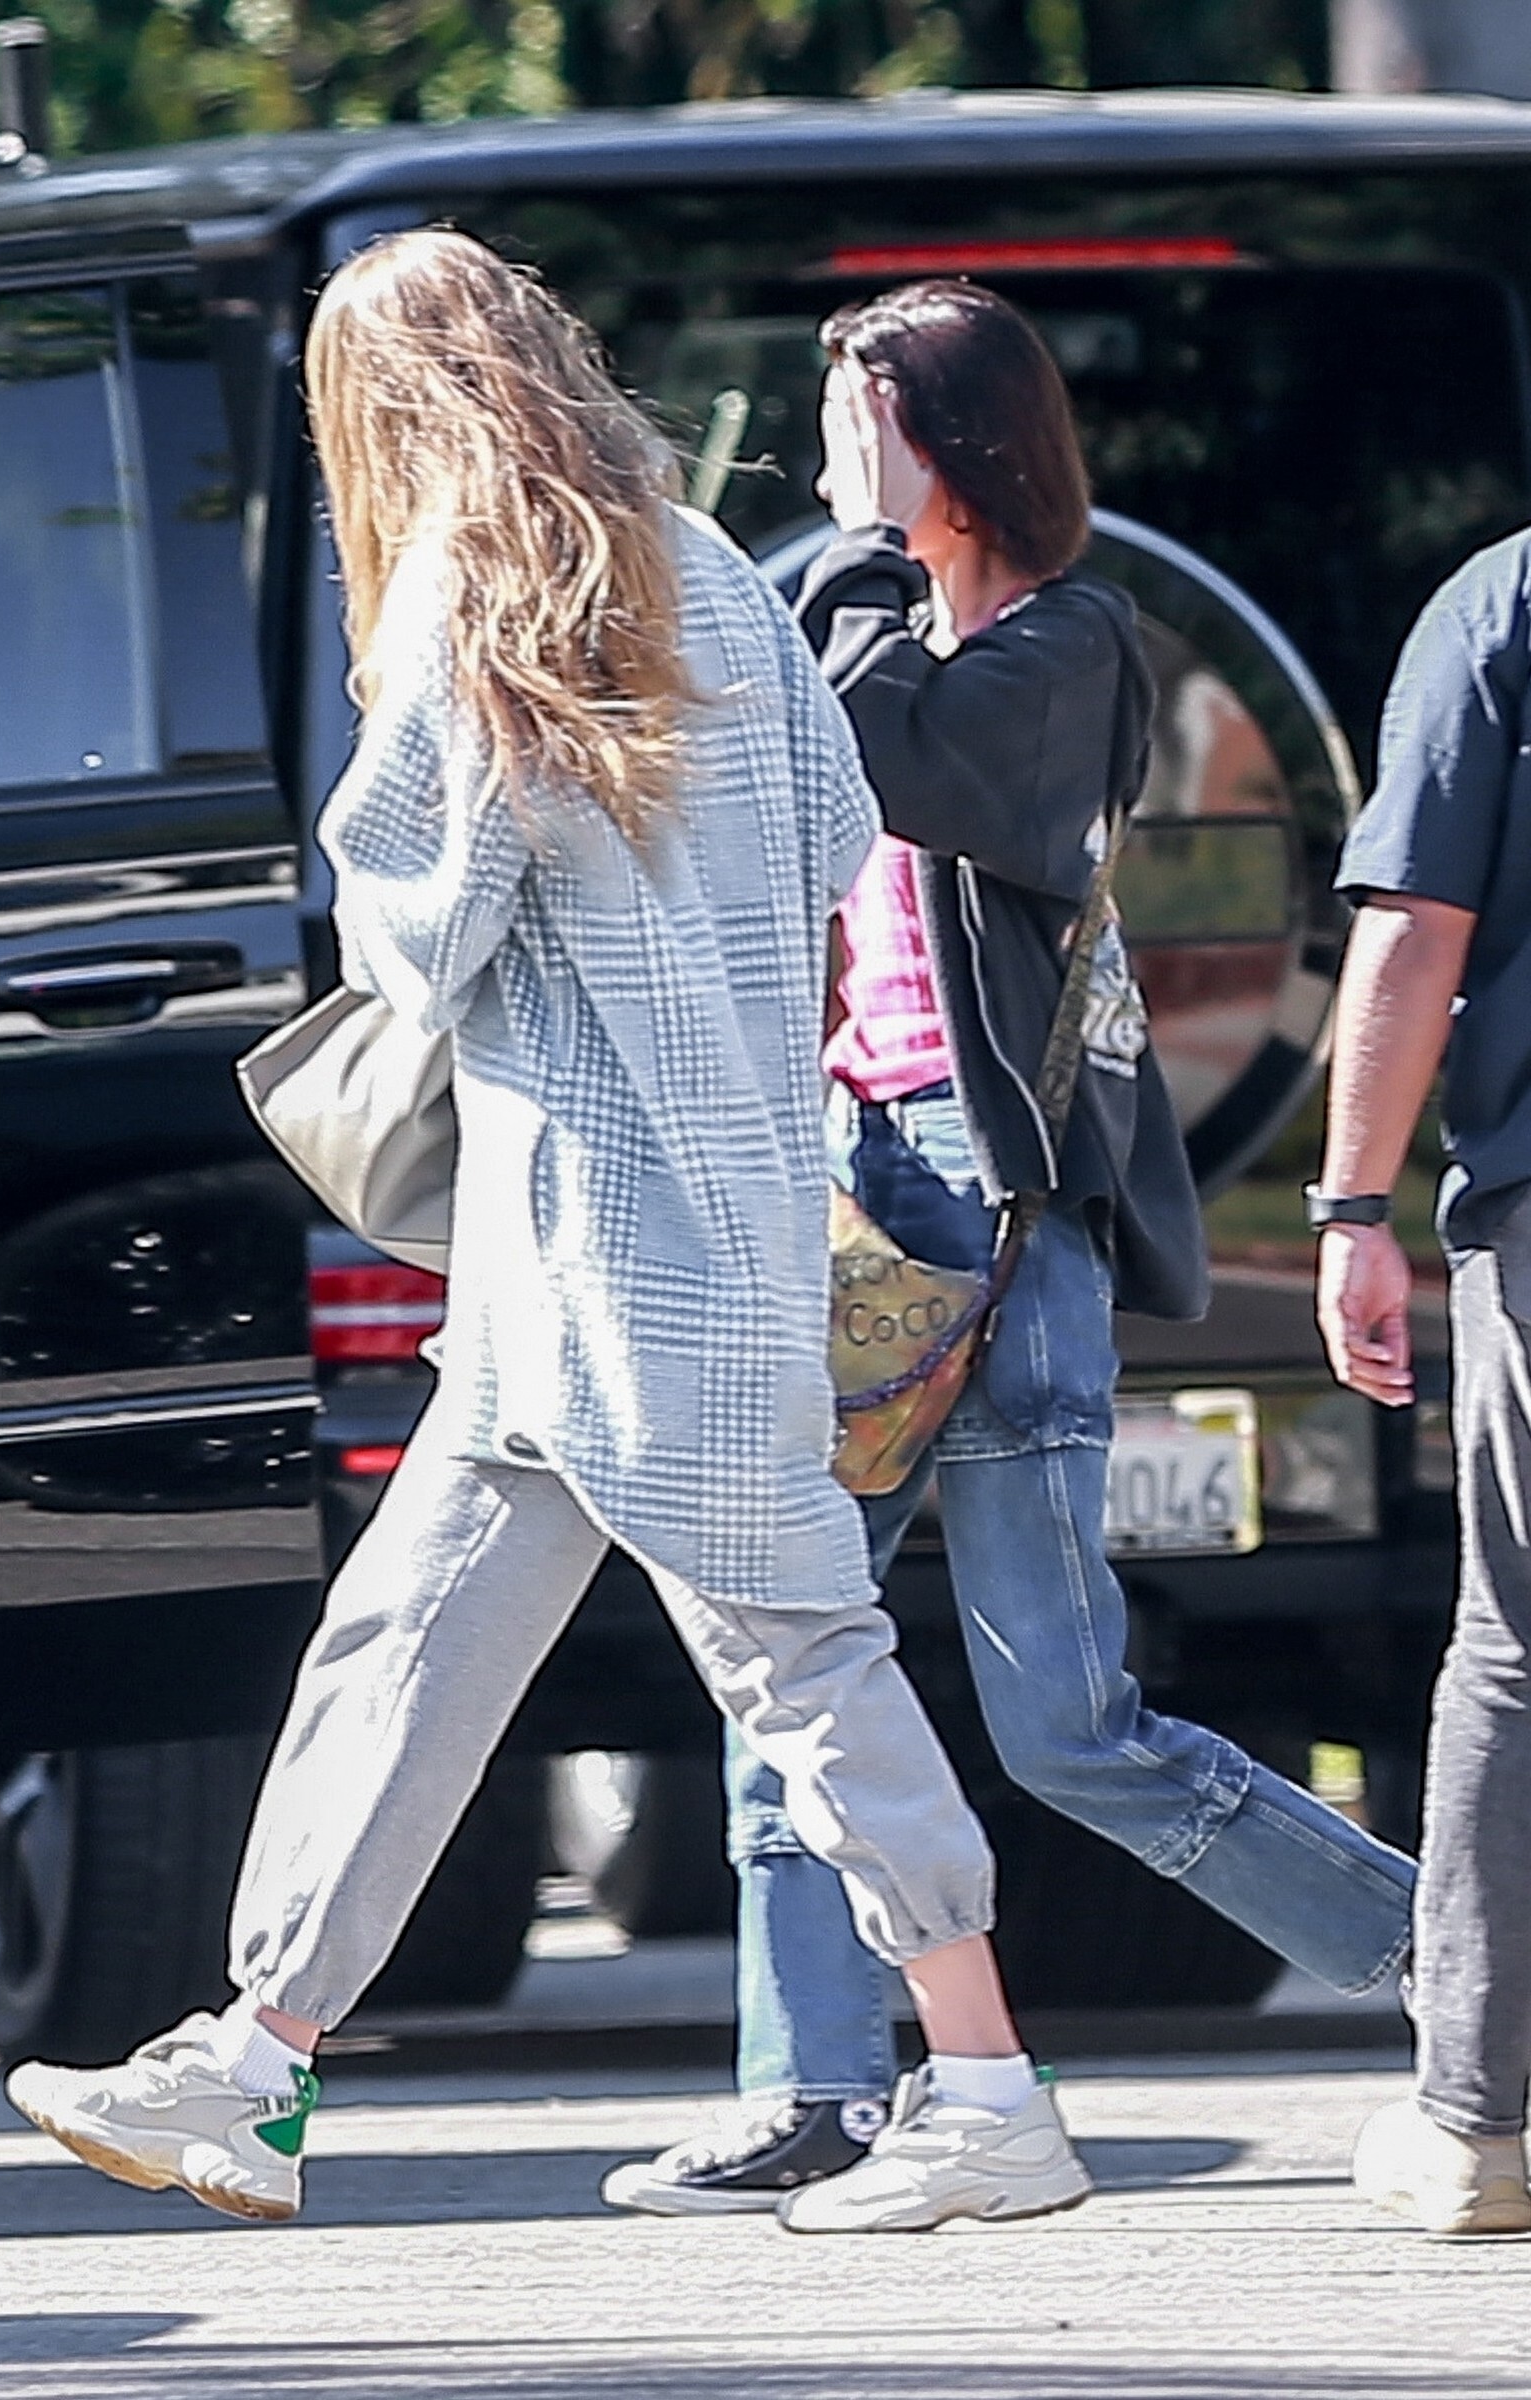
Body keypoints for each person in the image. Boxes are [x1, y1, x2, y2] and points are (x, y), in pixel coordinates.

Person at [2, 229, 1093, 2237]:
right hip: (685, 1226)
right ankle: (253, 2060)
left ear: (383, 416)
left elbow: (415, 933)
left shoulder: (465, 591)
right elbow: (833, 841)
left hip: (606, 1245)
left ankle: (988, 2094)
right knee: (405, 1643)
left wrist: (394, 778)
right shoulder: (715, 569)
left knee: (800, 1660)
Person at [605, 282, 1417, 2228]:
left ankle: (1458, 1964)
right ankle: (812, 2087)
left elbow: (906, 771)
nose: (830, 459)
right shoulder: (861, 618)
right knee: (793, 1663)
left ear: (950, 448)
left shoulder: (1066, 643)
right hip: (856, 1196)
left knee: (1067, 1728)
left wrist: (868, 554)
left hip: (997, 1223)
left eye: (859, 422)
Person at [1313, 534, 1531, 2236]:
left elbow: (1416, 928)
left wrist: (1351, 1209)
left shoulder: (1504, 603)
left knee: (1519, 1646)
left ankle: (1474, 2127)